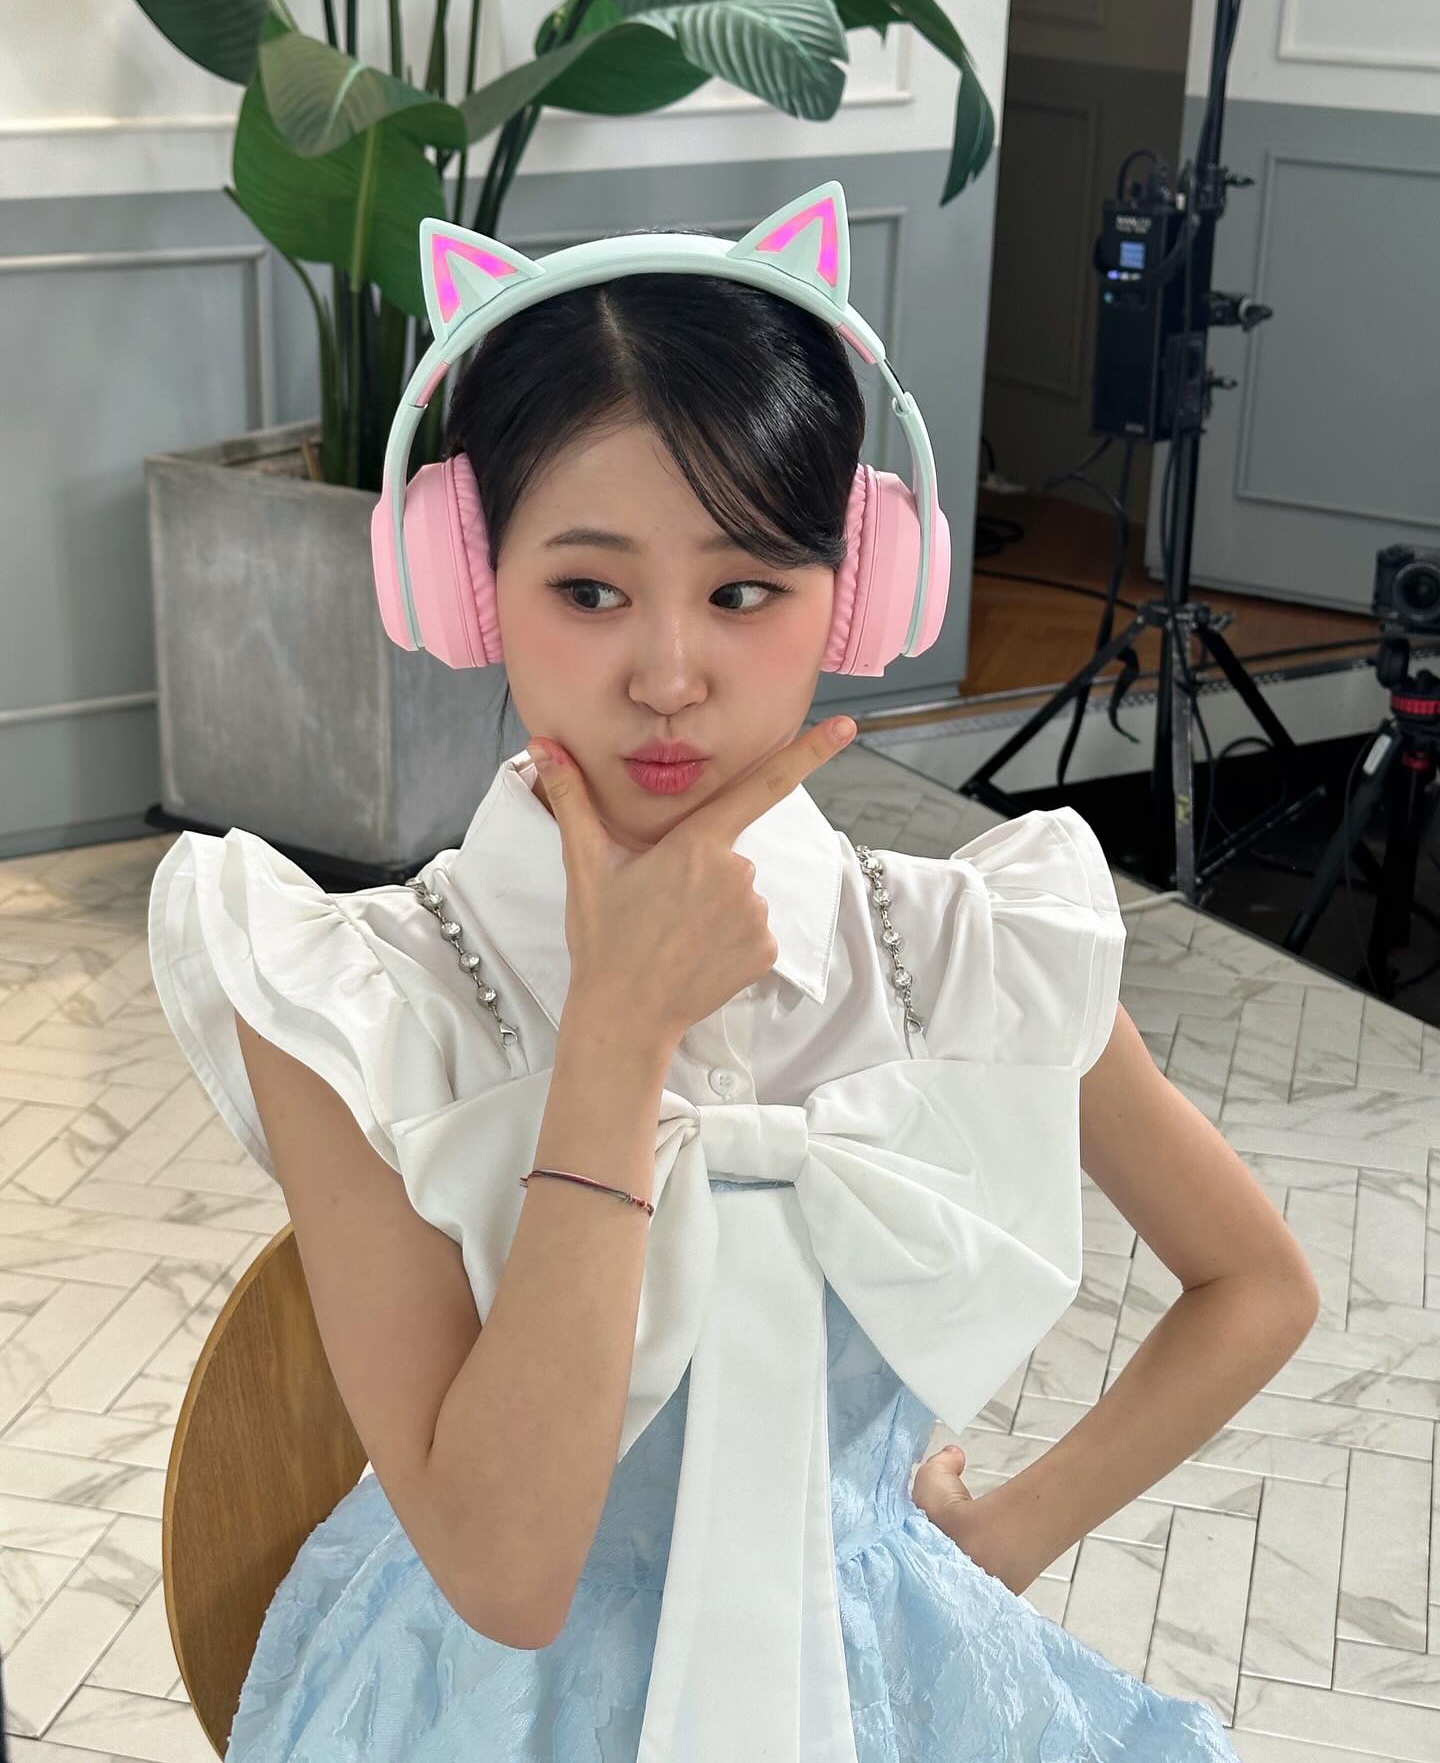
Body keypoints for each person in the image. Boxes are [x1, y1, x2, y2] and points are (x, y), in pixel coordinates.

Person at [146, 186, 1285, 1760]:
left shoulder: (961, 948)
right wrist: (616, 1038)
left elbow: (1257, 1286)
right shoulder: (357, 1000)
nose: (670, 673)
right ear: (466, 585)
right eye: (589, 589)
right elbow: (507, 1577)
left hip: (877, 1684)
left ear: (858, 590)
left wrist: (1012, 1533)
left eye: (745, 591)